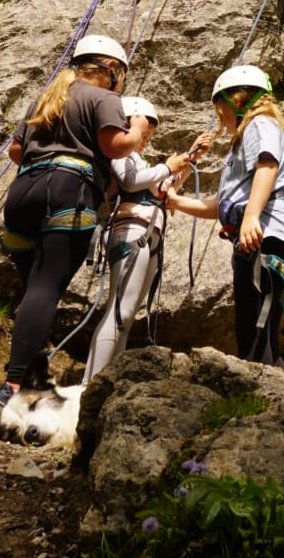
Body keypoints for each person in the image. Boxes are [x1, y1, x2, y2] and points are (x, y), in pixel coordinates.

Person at [0, 33, 147, 413]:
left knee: (35, 288)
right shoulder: (102, 97)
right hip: (67, 191)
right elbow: (114, 145)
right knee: (45, 288)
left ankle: (29, 372)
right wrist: (138, 131)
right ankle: (17, 386)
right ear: (111, 70)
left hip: (23, 191)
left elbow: (16, 150)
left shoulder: (49, 97)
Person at [166, 64, 284, 368]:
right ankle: (273, 391)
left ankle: (262, 393)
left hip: (267, 235)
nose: (221, 120)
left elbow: (267, 166)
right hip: (262, 237)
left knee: (256, 331)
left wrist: (252, 217)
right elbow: (222, 205)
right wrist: (176, 201)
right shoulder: (245, 139)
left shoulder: (260, 124)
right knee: (256, 330)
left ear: (238, 101)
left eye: (222, 111)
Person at [81, 96, 211, 385]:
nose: (144, 141)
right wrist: (168, 166)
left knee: (126, 317)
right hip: (130, 231)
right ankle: (88, 385)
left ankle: (103, 386)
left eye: (149, 137)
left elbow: (162, 189)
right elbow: (130, 181)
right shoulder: (118, 151)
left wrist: (190, 158)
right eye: (144, 134)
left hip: (146, 233)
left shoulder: (137, 160)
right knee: (119, 311)